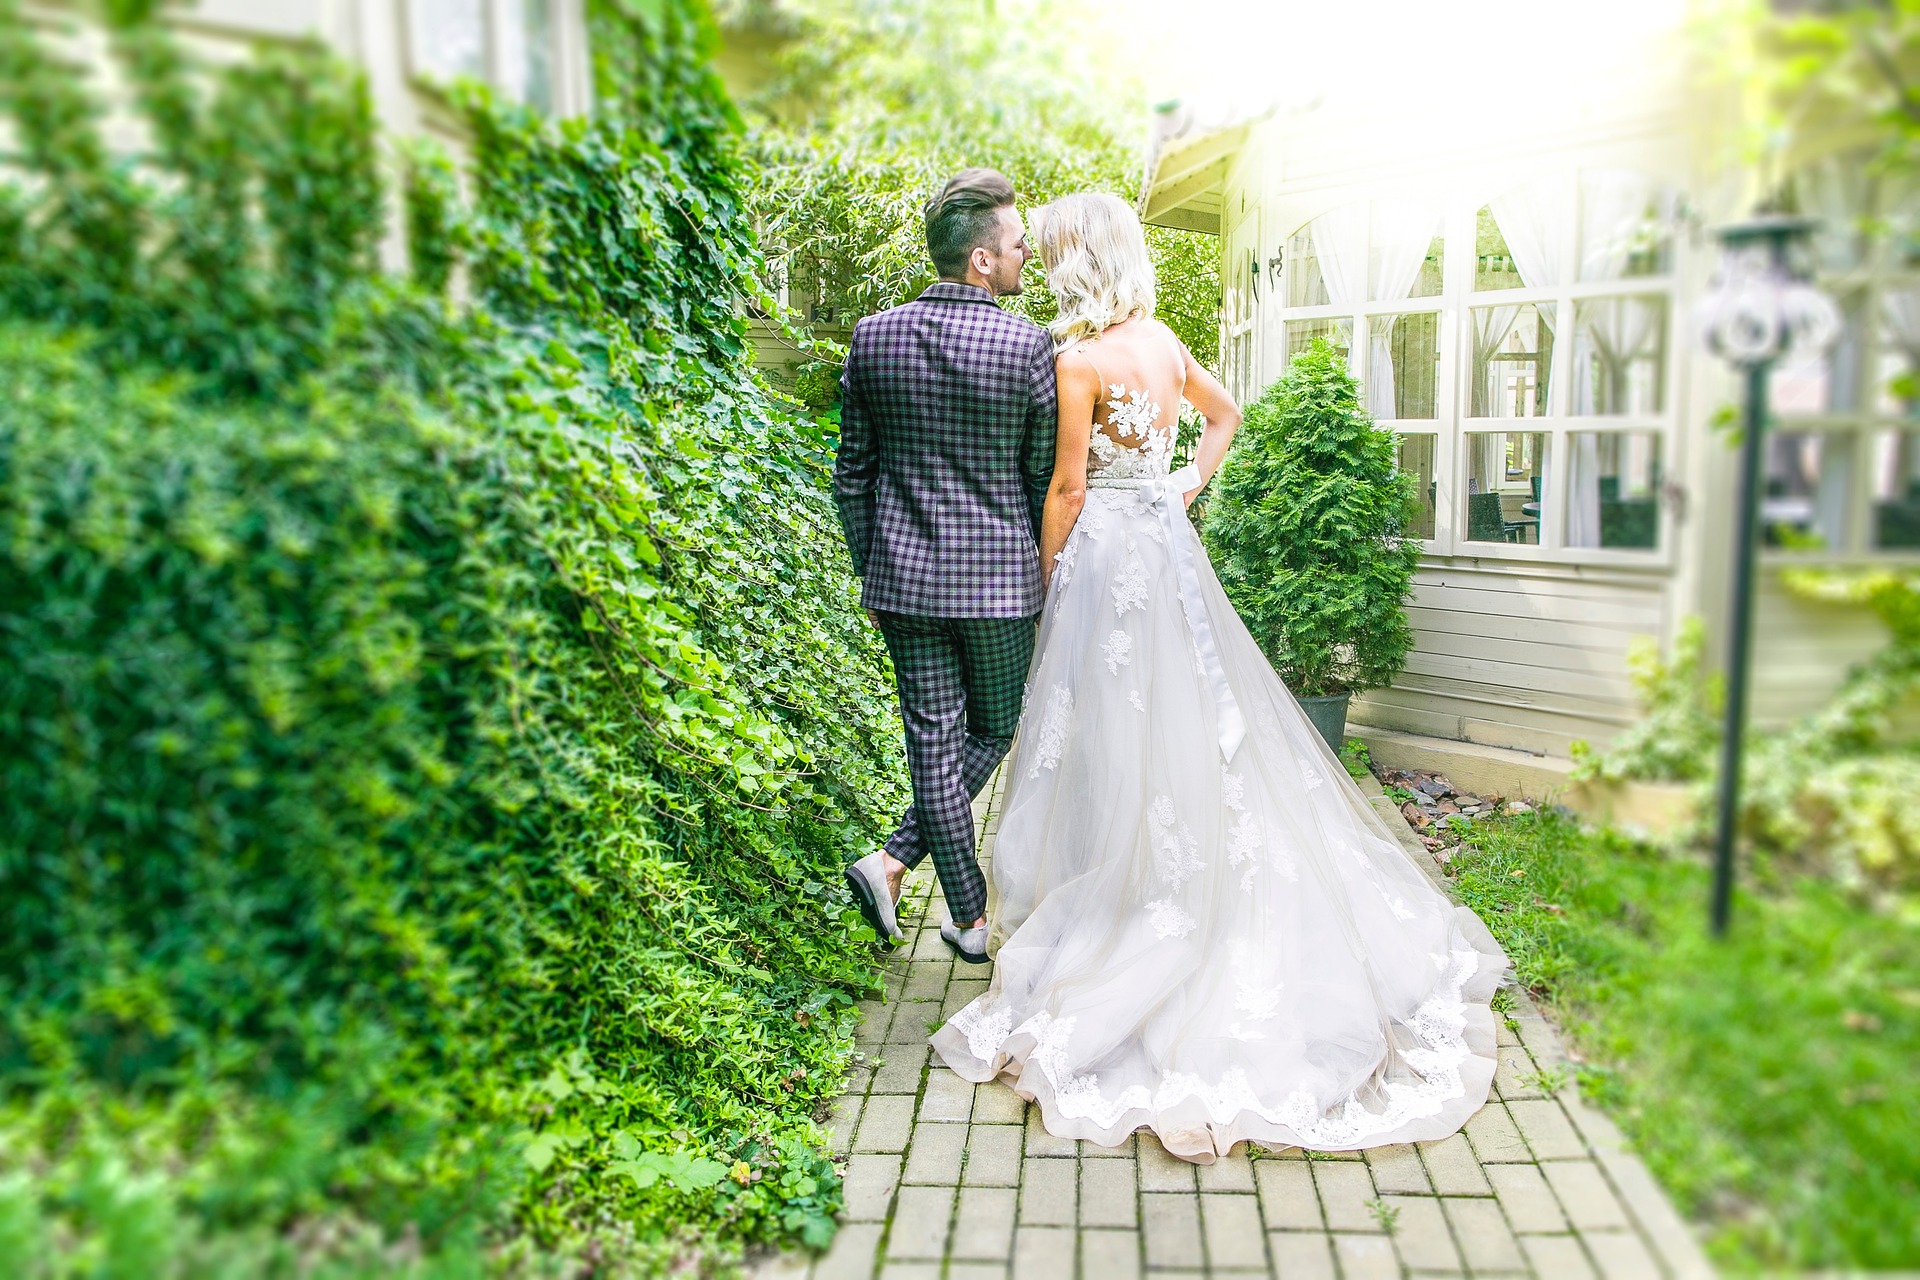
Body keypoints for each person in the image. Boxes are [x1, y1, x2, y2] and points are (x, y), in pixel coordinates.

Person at [926, 192, 1508, 1163]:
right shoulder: (1159, 342)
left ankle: (1118, 895)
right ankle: (1157, 873)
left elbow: (1066, 487)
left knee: (1105, 729)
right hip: (1164, 550)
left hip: (1108, 558)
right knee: (1187, 717)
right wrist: (1185, 482)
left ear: (1075, 267)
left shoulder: (1079, 360)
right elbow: (1223, 417)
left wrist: (1039, 578)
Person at [834, 168, 1057, 964]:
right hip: (999, 587)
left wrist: (874, 568)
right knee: (992, 730)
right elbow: (1040, 478)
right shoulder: (1029, 345)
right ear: (983, 263)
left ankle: (908, 876)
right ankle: (954, 911)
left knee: (933, 739)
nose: (1027, 252)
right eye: (1018, 243)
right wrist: (1048, 570)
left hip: (903, 582)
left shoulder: (874, 335)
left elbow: (851, 473)